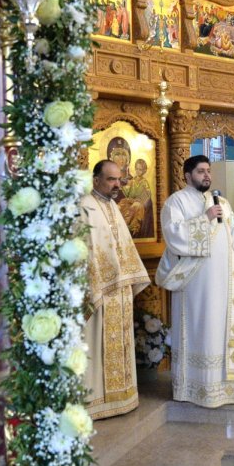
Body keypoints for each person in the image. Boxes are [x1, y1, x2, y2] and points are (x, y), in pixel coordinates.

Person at [157, 155, 234, 407]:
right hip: (196, 284)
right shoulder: (176, 201)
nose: (207, 175)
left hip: (223, 281)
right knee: (200, 329)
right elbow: (173, 236)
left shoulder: (223, 203)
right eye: (200, 171)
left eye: (208, 170)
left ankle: (223, 387)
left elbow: (232, 238)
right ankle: (194, 388)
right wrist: (204, 218)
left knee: (221, 330)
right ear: (188, 176)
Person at [81, 161, 151, 418]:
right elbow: (85, 249)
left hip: (119, 290)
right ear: (96, 180)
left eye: (119, 180)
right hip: (99, 288)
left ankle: (123, 396)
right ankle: (96, 400)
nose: (117, 185)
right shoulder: (84, 207)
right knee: (95, 343)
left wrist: (126, 275)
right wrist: (102, 278)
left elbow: (124, 246)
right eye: (111, 179)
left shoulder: (114, 207)